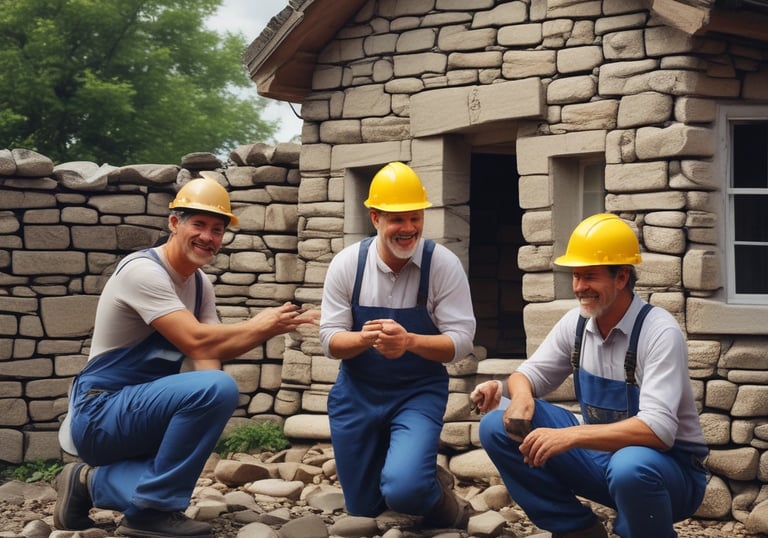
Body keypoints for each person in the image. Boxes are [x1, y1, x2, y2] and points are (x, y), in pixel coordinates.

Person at [54, 176, 318, 538]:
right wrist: (262, 325)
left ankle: (85, 483)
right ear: (174, 223)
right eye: (199, 224)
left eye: (217, 229)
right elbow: (196, 341)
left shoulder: (199, 285)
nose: (208, 237)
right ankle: (149, 515)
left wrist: (265, 332)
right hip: (100, 413)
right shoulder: (143, 271)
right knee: (215, 391)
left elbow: (210, 356)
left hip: (140, 416)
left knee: (216, 393)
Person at [473, 213, 708, 538]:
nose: (580, 287)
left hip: (669, 475)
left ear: (621, 277)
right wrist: (521, 400)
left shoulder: (659, 332)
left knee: (630, 466)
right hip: (604, 462)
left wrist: (569, 436)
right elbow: (525, 375)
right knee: (495, 427)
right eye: (576, 276)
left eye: (590, 277)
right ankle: (577, 530)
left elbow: (659, 431)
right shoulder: (578, 324)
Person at [319, 162, 476, 529]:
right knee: (363, 510)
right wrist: (364, 338)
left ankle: (439, 496)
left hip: (417, 391)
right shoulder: (346, 265)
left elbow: (461, 341)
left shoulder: (443, 265)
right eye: (397, 220)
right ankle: (420, 472)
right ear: (374, 217)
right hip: (356, 392)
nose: (408, 229)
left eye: (415, 218)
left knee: (404, 491)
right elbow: (329, 340)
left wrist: (408, 341)